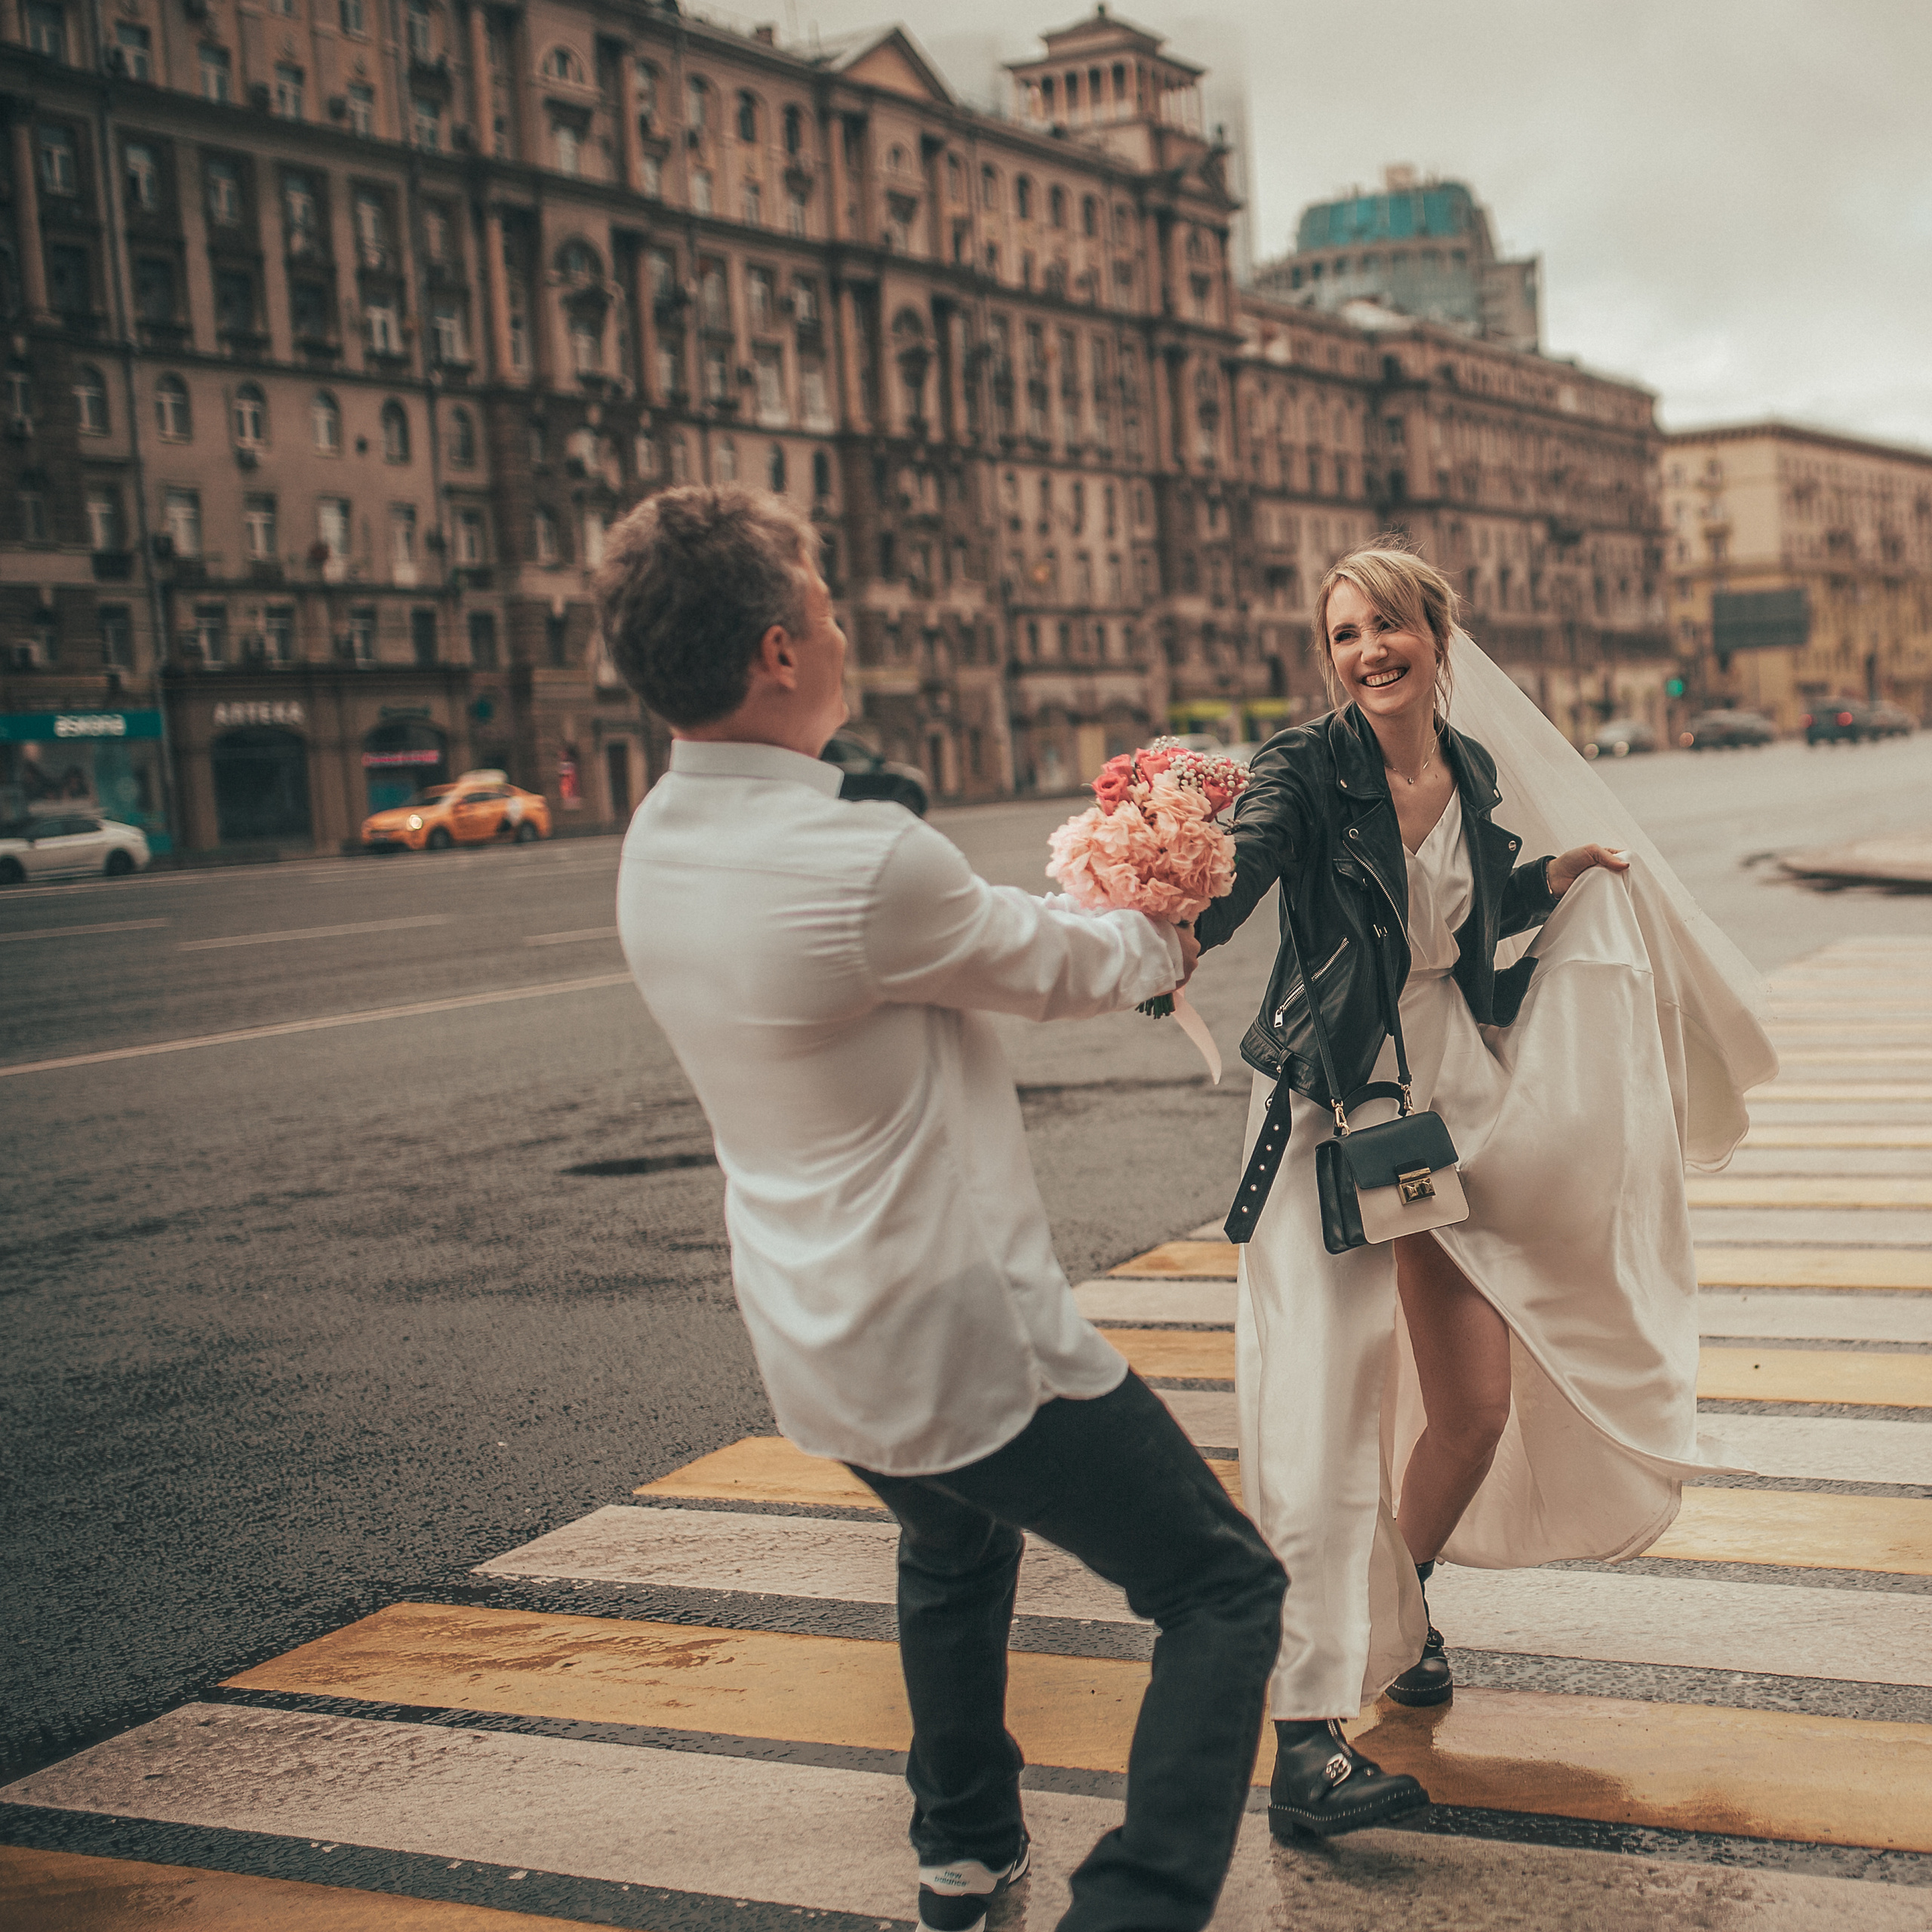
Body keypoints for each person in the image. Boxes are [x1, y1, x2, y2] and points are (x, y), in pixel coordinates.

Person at [598, 485, 1287, 1932]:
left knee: (954, 1542)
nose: (846, 630)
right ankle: (1137, 1907)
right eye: (830, 607)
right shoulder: (863, 861)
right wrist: (1171, 900)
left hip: (808, 1332)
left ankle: (965, 1855)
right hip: (959, 1330)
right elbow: (1062, 966)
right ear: (781, 653)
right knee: (1220, 1591)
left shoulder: (654, 838)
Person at [1193, 541, 1777, 1841]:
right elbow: (1243, 869)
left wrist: (1567, 878)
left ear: (1436, 636)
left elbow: (1468, 910)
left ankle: (1396, 1616)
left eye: (1387, 625)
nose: (1367, 652)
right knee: (1325, 1404)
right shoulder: (1304, 766)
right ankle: (1303, 1742)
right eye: (1344, 634)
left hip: (1454, 1102)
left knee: (1472, 1406)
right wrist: (1171, 903)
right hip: (1334, 1108)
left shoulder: (1467, 771)